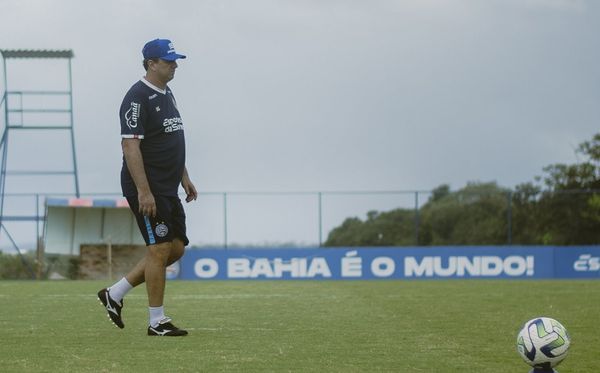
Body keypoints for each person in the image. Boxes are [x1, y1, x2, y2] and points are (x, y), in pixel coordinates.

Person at [97, 38, 197, 337]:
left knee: (175, 248)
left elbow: (170, 139)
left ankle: (114, 293)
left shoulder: (169, 93)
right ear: (151, 63)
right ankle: (157, 322)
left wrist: (184, 176)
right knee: (159, 248)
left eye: (174, 60)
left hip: (169, 185)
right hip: (147, 187)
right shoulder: (137, 97)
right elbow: (130, 146)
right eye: (168, 61)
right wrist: (143, 191)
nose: (174, 65)